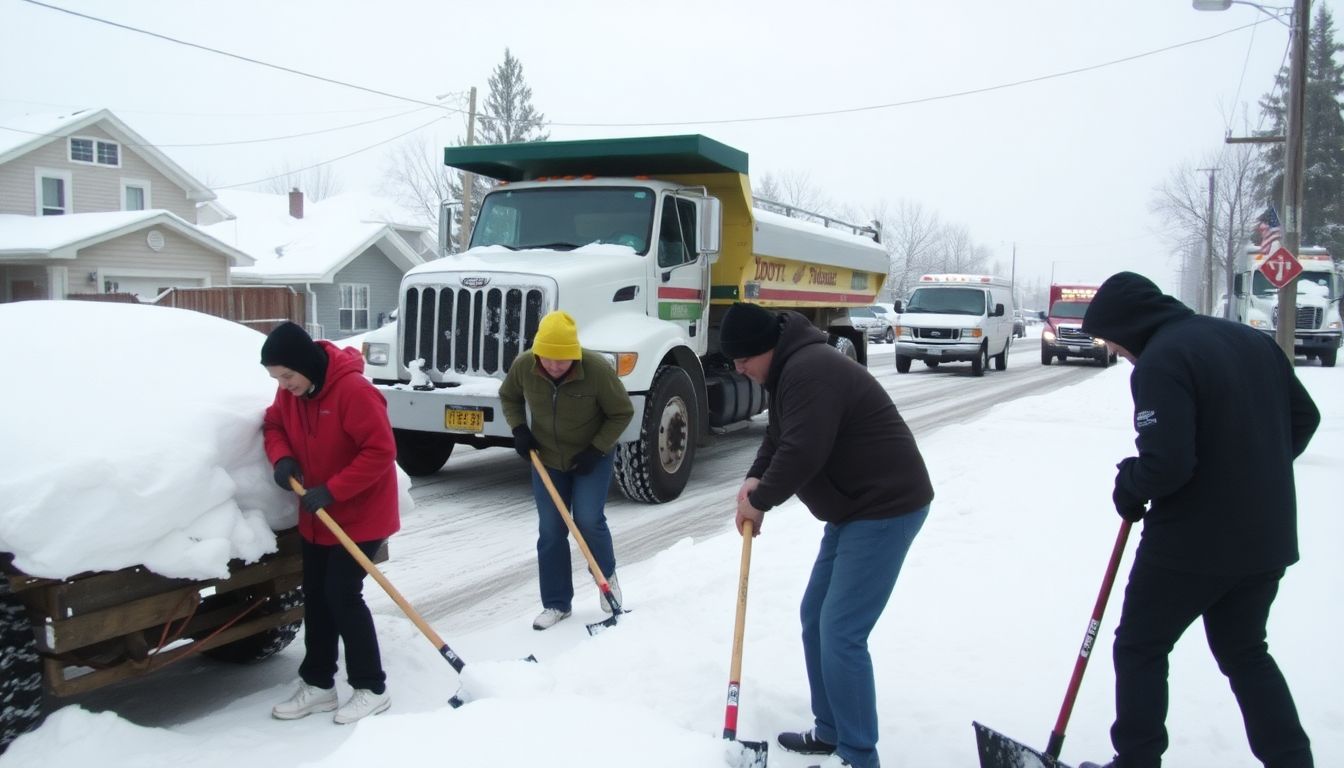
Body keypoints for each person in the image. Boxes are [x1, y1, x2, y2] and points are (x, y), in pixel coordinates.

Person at [1075, 272, 1319, 768]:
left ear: (1129, 324)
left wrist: (1130, 483)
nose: (1118, 351)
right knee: (1246, 651)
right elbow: (1305, 418)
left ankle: (1137, 761)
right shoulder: (1250, 340)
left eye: (1114, 341)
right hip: (1265, 537)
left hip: (1192, 544)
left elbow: (1167, 466)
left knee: (1141, 646)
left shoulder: (1162, 360)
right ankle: (1292, 760)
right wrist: (1250, 476)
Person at [719, 302, 934, 768]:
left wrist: (763, 499)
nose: (740, 370)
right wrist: (753, 480)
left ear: (765, 348)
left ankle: (858, 754)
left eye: (742, 361)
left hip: (885, 506)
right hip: (855, 509)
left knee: (841, 631)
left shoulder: (809, 370)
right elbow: (778, 437)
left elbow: (803, 449)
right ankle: (832, 729)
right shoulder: (789, 371)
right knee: (816, 616)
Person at [260, 322, 400, 725]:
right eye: (276, 378)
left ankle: (372, 687)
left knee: (341, 594)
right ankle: (319, 685)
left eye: (287, 376)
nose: (283, 385)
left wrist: (335, 489)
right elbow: (273, 425)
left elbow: (380, 450)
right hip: (316, 516)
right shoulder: (293, 391)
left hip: (360, 516)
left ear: (305, 364)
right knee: (317, 597)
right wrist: (281, 457)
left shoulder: (354, 392)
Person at [499, 310, 635, 631]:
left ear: (575, 354)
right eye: (548, 359)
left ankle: (606, 579)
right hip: (546, 458)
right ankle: (556, 604)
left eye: (563, 360)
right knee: (551, 530)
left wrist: (597, 448)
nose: (555, 366)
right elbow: (509, 396)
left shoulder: (597, 370)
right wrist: (519, 429)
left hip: (591, 456)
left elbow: (622, 412)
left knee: (588, 519)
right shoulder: (525, 366)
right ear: (538, 353)